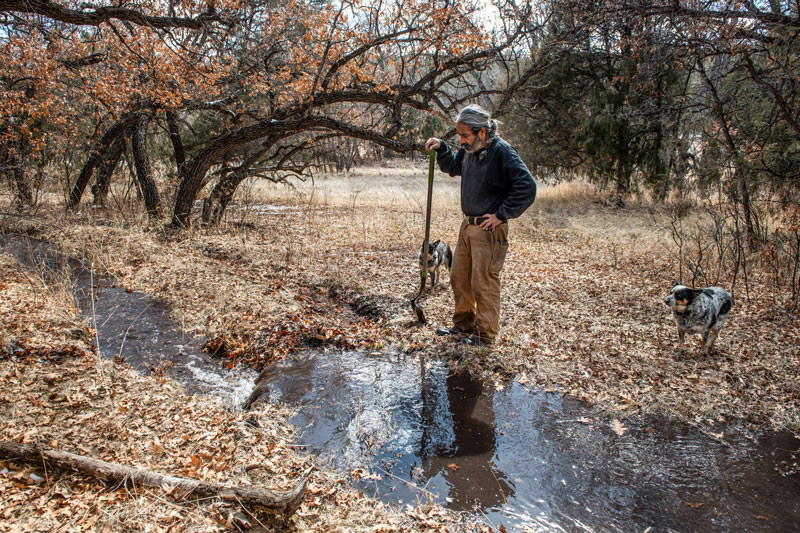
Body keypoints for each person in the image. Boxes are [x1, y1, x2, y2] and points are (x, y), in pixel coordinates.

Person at [424, 104, 536, 346]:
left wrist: (501, 214)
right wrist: (442, 148)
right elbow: (454, 166)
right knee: (459, 277)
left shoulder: (503, 152)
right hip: (467, 226)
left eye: (465, 135)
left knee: (483, 282)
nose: (462, 141)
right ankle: (463, 326)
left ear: (482, 132)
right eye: (459, 136)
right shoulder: (470, 151)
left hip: (489, 229)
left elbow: (527, 186)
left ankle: (485, 336)